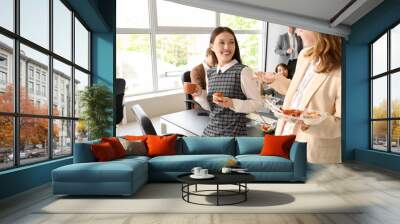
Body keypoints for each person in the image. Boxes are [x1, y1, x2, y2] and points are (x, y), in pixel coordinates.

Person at [256, 29, 342, 164]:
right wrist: (274, 80)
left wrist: (310, 122)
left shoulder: (342, 69)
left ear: (319, 29)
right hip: (284, 138)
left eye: (302, 27)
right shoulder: (304, 55)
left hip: (312, 152)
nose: (297, 33)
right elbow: (299, 90)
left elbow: (342, 123)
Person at [191, 27, 263, 136]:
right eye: (221, 42)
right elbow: (211, 107)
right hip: (210, 133)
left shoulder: (243, 71)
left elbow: (258, 103)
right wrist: (200, 95)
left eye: (231, 42)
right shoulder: (210, 72)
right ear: (212, 47)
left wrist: (232, 103)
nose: (227, 47)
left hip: (232, 137)